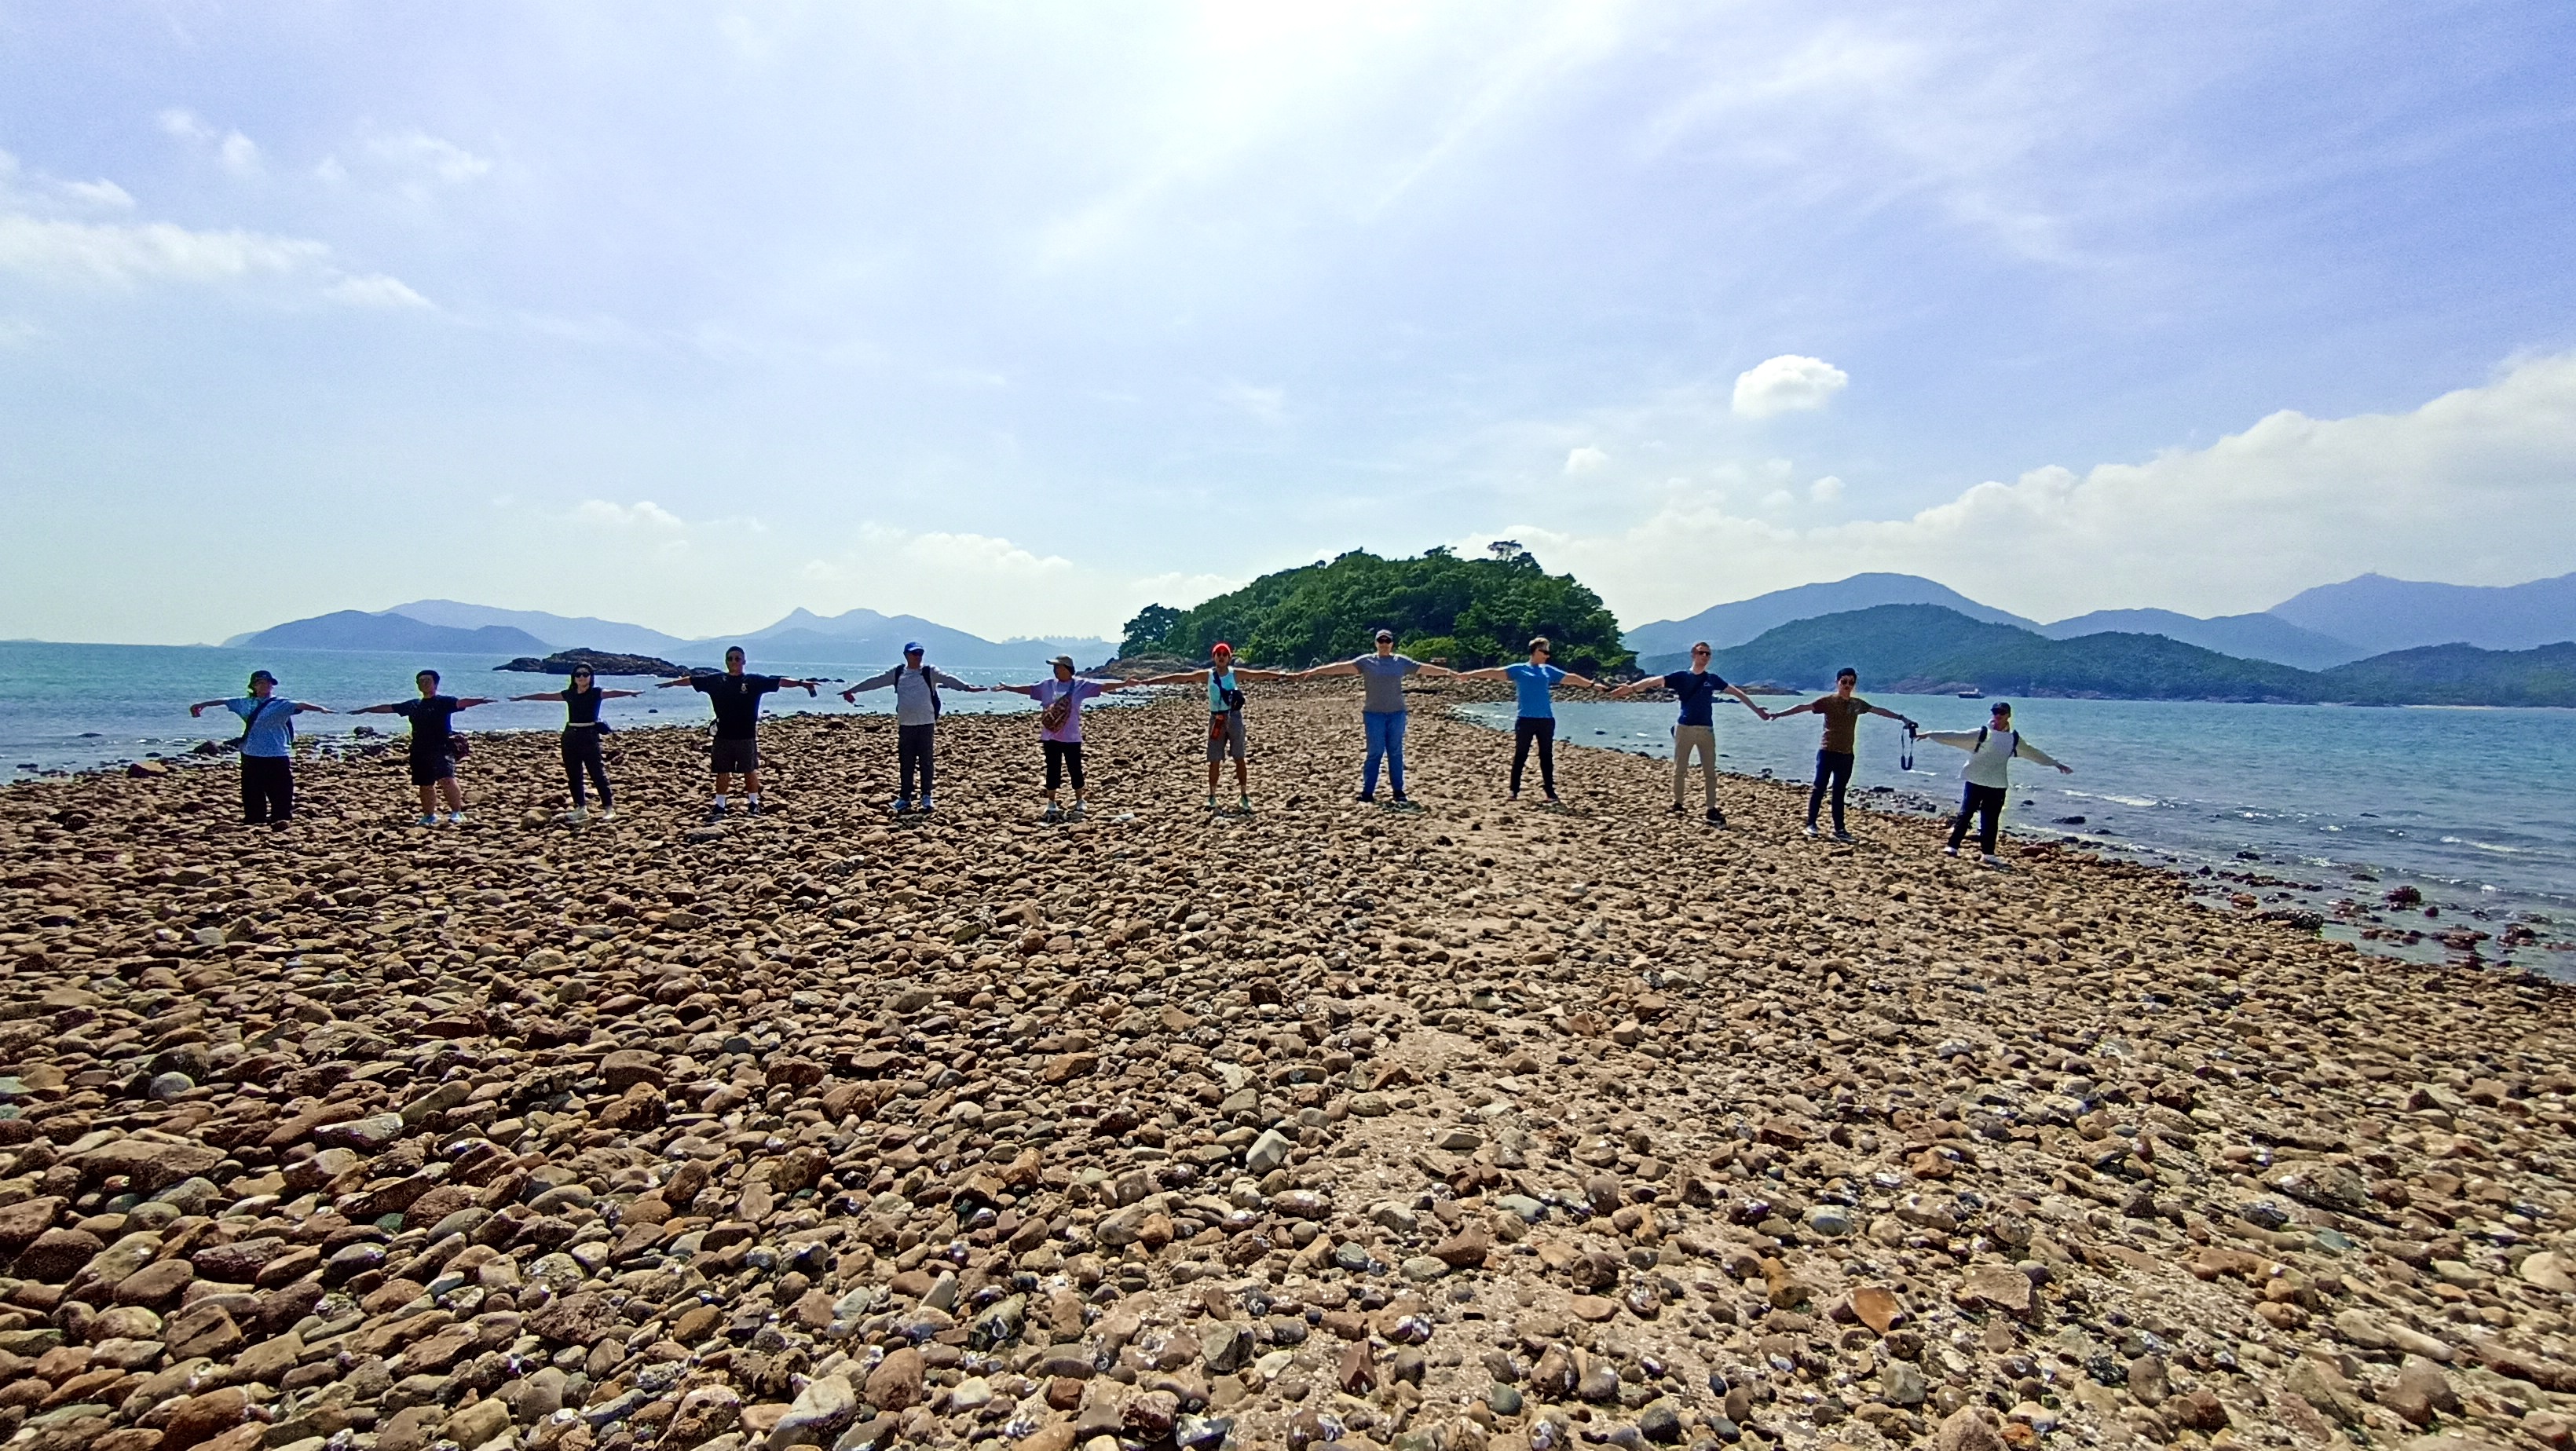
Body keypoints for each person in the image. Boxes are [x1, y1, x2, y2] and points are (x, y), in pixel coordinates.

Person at [1606, 641, 1769, 824]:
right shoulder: (1681, 677)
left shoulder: (1713, 679)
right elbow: (1655, 681)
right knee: (1680, 768)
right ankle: (1678, 803)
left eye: (1708, 654)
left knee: (1710, 771)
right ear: (1693, 654)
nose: (1705, 657)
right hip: (1684, 728)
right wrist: (1631, 688)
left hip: (1706, 730)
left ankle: (1711, 808)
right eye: (1701, 653)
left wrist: (1757, 711)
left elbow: (1737, 693)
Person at [657, 647, 820, 821]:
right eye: (731, 658)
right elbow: (691, 680)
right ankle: (720, 806)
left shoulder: (753, 681)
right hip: (723, 735)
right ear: (726, 661)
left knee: (749, 770)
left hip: (746, 735)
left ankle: (754, 803)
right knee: (722, 771)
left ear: (744, 661)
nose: (734, 661)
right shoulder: (716, 680)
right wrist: (671, 684)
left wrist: (802, 684)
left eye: (737, 658)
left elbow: (779, 681)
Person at [1297, 629, 1456, 804]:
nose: (1384, 644)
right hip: (1374, 715)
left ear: (1392, 644)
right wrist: (1317, 671)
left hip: (1396, 713)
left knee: (1395, 752)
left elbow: (1423, 668)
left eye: (1387, 641)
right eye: (1381, 641)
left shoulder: (1400, 661)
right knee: (1375, 752)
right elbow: (1342, 667)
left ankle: (1398, 791)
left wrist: (1448, 673)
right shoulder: (1366, 661)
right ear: (1376, 643)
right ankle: (1367, 792)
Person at [990, 655, 1151, 821]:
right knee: (1053, 768)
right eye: (1054, 667)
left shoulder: (1081, 685)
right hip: (1050, 735)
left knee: (1075, 768)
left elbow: (1102, 687)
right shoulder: (1047, 685)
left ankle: (1080, 800)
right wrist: (1008, 687)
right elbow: (1029, 689)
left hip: (1071, 737)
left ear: (1068, 668)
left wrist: (1124, 684)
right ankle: (1051, 802)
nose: (1056, 670)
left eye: (1059, 667)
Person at [1139, 641, 1293, 813]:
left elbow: (1258, 675)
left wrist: (1282, 675)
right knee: (1214, 759)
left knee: (1239, 757)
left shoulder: (1236, 674)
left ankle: (1244, 795)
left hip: (1234, 718)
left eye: (1224, 654)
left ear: (1229, 658)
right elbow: (1181, 677)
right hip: (1216, 719)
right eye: (1218, 654)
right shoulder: (1208, 675)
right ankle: (1212, 796)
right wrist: (1150, 682)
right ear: (1214, 657)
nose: (1221, 656)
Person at [1767, 667, 1916, 841]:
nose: (1847, 685)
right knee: (1819, 789)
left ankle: (1840, 830)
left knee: (1839, 792)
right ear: (1837, 682)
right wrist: (1778, 714)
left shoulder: (1857, 705)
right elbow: (1803, 707)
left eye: (1851, 682)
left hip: (1846, 755)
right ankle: (1811, 824)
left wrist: (1902, 719)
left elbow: (1879, 711)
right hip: (1827, 751)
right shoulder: (1828, 701)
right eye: (1844, 681)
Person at [1451, 637, 1605, 802]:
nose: (1547, 655)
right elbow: (1494, 672)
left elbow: (1571, 677)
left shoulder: (1548, 671)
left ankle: (1550, 792)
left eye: (1548, 652)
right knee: (1521, 754)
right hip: (1525, 719)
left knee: (1546, 755)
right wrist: (1469, 675)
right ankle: (1514, 790)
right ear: (1535, 651)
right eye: (1544, 651)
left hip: (1546, 720)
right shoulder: (1519, 669)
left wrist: (1592, 685)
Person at [1921, 700, 2071, 868]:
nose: (1998, 715)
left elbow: (2033, 753)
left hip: (1998, 785)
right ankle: (1953, 847)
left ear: (2008, 715)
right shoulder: (1983, 733)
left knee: (1991, 820)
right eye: (1995, 712)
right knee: (1965, 815)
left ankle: (1988, 854)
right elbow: (1956, 736)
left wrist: (2056, 764)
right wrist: (1929, 734)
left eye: (2002, 712)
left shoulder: (2013, 739)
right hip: (1975, 780)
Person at [841, 641, 978, 814]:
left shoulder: (929, 672)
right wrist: (853, 690)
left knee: (926, 761)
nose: (918, 656)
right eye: (914, 653)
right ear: (906, 655)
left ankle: (926, 796)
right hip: (906, 724)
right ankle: (905, 798)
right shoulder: (898, 673)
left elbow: (948, 679)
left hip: (926, 723)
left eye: (920, 653)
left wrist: (967, 687)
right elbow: (875, 681)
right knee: (906, 762)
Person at [188, 669, 332, 827]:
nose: (265, 685)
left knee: (281, 790)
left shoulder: (281, 704)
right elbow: (224, 700)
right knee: (252, 790)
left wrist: (320, 708)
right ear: (254, 686)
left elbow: (300, 704)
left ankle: (281, 819)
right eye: (261, 683)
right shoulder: (244, 703)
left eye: (268, 683)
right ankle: (255, 820)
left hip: (276, 753)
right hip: (251, 753)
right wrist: (202, 705)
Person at [352, 670, 496, 826]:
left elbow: (461, 703)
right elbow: (389, 708)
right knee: (425, 784)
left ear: (436, 683)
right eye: (421, 681)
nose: (424, 683)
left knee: (447, 780)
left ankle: (457, 812)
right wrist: (364, 710)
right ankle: (429, 816)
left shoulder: (444, 702)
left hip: (442, 748)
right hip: (419, 749)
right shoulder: (413, 705)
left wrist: (481, 701)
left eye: (427, 680)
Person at [511, 663, 643, 822]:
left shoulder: (596, 693)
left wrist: (631, 692)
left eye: (585, 674)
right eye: (578, 674)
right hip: (570, 736)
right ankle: (581, 809)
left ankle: (609, 809)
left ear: (591, 676)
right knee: (574, 775)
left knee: (597, 773)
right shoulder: (569, 694)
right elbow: (546, 696)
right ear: (574, 677)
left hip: (589, 735)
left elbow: (613, 693)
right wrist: (523, 697)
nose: (582, 677)